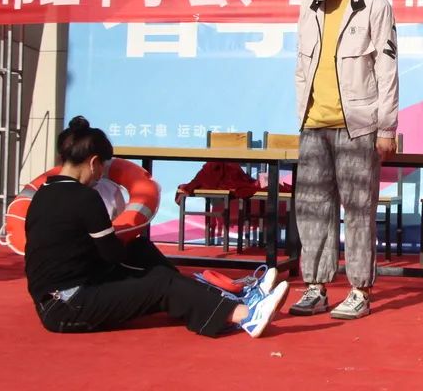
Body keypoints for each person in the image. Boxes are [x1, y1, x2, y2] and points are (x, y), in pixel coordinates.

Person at [24, 116, 288, 338]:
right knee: (159, 282)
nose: (101, 175)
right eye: (102, 167)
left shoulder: (42, 194)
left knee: (140, 249)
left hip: (62, 297)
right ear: (94, 162)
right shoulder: (85, 198)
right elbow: (110, 254)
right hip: (69, 305)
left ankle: (220, 298)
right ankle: (245, 315)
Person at [288, 0, 399, 320]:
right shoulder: (308, 8)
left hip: (358, 126)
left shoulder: (372, 3)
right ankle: (315, 287)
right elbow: (302, 67)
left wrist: (387, 127)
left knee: (358, 209)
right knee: (312, 209)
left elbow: (387, 68)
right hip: (313, 125)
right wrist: (302, 114)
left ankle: (359, 290)